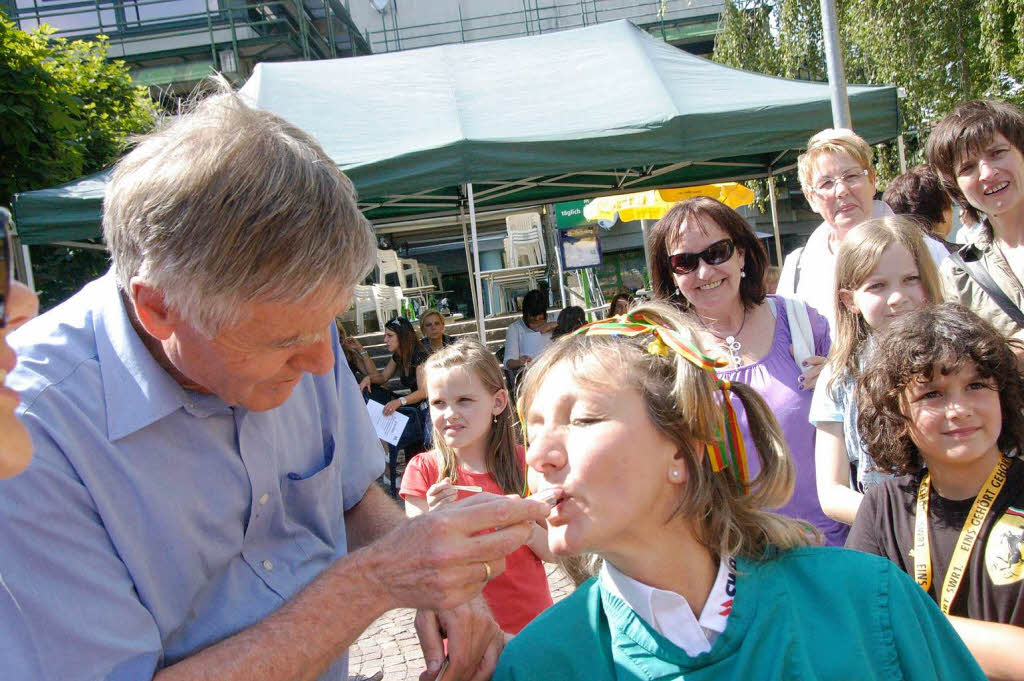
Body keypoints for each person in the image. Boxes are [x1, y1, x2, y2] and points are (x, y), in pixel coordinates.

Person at [0, 84, 550, 681]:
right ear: (159, 309)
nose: (321, 364)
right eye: (284, 342)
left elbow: (349, 495)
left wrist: (436, 581)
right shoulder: (26, 429)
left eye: (329, 324)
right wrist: (374, 581)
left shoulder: (293, 322)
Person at [493, 301, 985, 681]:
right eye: (531, 433)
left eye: (581, 420)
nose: (538, 456)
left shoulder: (865, 600)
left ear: (682, 449)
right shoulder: (538, 663)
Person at [649, 197, 845, 545]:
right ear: (670, 274)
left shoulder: (801, 323)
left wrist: (839, 376)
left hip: (828, 545)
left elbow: (860, 412)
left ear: (741, 253)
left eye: (717, 252)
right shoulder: (666, 357)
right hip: (737, 557)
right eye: (685, 262)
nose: (705, 272)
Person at [849, 303, 1024, 680]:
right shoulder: (884, 505)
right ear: (895, 413)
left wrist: (906, 622)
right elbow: (860, 633)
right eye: (932, 394)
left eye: (976, 385)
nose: (958, 409)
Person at [401, 340, 554, 634]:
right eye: (438, 403)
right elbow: (418, 564)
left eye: (464, 401)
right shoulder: (423, 471)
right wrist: (435, 522)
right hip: (464, 634)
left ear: (497, 402)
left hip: (532, 627)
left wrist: (520, 524)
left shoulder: (528, 463)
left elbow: (554, 552)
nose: (449, 413)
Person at [810, 216, 945, 525]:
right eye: (877, 286)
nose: (898, 297)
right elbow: (832, 491)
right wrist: (903, 526)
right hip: (890, 540)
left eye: (911, 279)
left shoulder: (960, 360)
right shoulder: (838, 378)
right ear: (850, 300)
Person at [777, 128, 947, 332]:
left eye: (851, 177)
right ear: (810, 197)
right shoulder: (797, 269)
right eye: (826, 183)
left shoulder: (927, 251)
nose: (841, 191)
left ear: (873, 181)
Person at [929, 99, 1024, 338]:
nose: (987, 173)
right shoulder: (959, 275)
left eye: (997, 153)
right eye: (967, 168)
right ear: (956, 187)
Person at [362, 316, 430, 496]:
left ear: (402, 336)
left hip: (423, 408)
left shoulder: (419, 356)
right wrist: (368, 378)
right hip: (411, 406)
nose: (385, 340)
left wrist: (399, 402)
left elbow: (424, 391)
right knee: (372, 395)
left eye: (389, 336)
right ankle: (386, 455)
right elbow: (384, 377)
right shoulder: (398, 355)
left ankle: (388, 461)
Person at [883, 164, 955, 240]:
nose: (952, 210)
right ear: (944, 211)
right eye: (950, 203)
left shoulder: (886, 249)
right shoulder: (958, 251)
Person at [503, 289, 555, 371]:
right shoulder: (515, 328)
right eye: (533, 316)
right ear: (525, 314)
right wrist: (520, 362)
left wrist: (554, 325)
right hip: (530, 374)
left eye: (540, 316)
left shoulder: (555, 319)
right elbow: (508, 363)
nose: (537, 319)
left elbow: (578, 329)